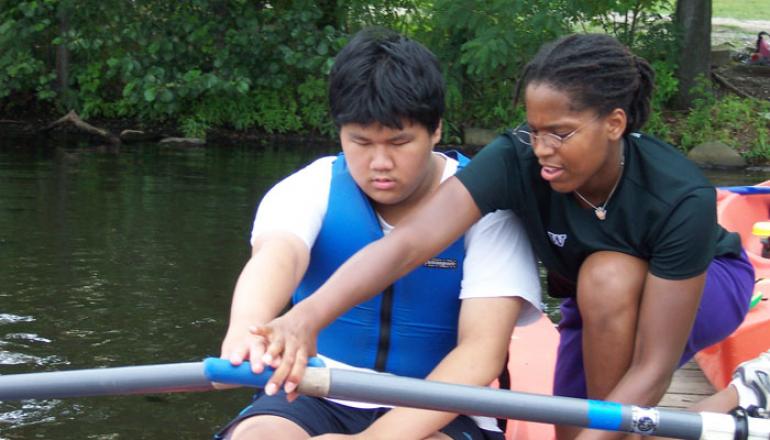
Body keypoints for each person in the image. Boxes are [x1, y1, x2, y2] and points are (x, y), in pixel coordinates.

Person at [250, 33, 766, 440]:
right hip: (595, 297)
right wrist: (305, 316)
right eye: (533, 129)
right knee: (580, 423)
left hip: (701, 283)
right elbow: (408, 243)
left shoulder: (680, 197)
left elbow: (653, 368)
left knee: (610, 283)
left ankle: (715, 405)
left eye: (559, 132)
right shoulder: (516, 157)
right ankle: (737, 401)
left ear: (614, 123)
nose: (540, 148)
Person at [214, 27, 542, 440]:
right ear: (340, 133)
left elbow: (480, 354)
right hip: (315, 390)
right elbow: (278, 256)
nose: (380, 162)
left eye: (399, 142)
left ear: (436, 129)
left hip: (441, 406)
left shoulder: (488, 211)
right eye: (361, 142)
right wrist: (247, 326)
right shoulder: (310, 187)